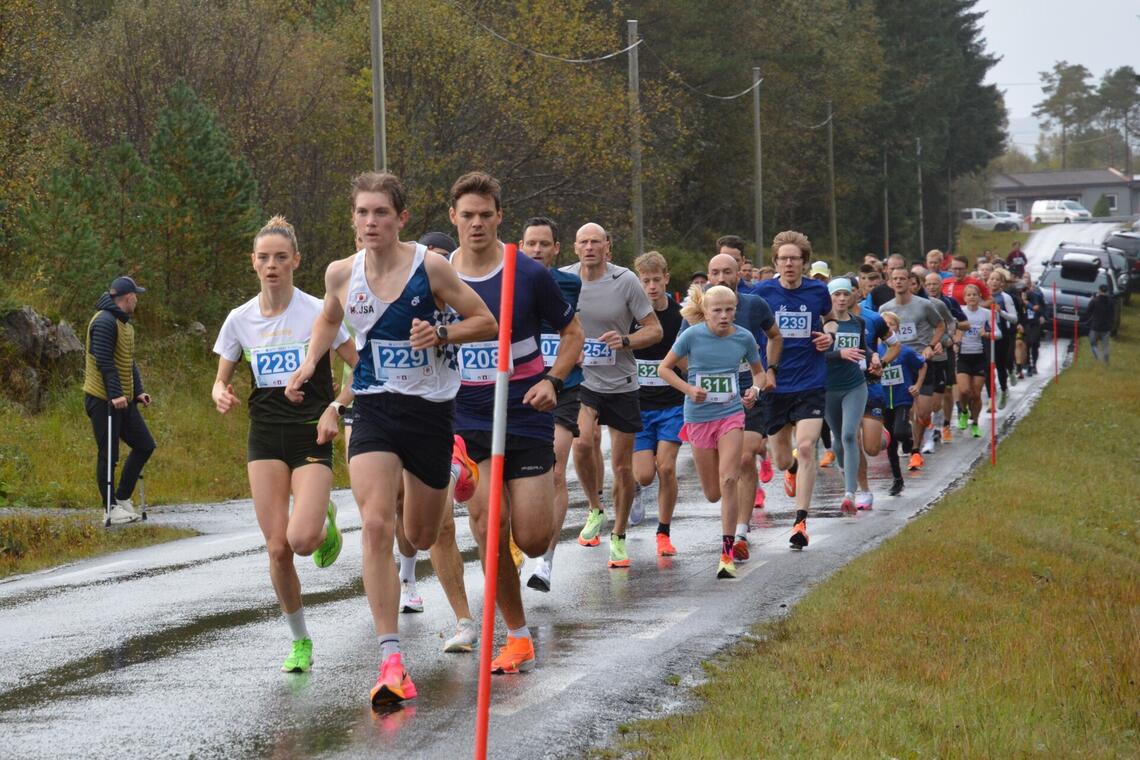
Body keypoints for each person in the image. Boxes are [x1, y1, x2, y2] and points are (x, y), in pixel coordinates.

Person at [286, 171, 497, 707]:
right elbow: (328, 322)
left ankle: (454, 468)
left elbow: (486, 320)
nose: (371, 222)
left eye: (381, 212)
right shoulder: (340, 273)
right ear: (353, 220)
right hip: (375, 408)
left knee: (420, 534)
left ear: (401, 218)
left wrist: (441, 332)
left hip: (429, 412)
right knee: (377, 524)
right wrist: (310, 364)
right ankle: (390, 659)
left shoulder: (431, 266)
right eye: (362, 213)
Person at [446, 172, 582, 674]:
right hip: (468, 414)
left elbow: (572, 332)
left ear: (499, 217)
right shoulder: (439, 275)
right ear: (454, 218)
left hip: (525, 409)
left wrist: (555, 379)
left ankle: (525, 518)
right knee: (487, 525)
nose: (477, 223)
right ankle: (517, 635)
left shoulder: (526, 273)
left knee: (529, 537)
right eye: (468, 215)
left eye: (486, 214)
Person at [212, 215, 357, 673]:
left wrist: (336, 405)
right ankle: (300, 642)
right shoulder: (240, 319)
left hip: (311, 431)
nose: (271, 265)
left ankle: (323, 519)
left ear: (295, 260)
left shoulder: (320, 311)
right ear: (253, 264)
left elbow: (361, 368)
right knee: (277, 549)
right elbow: (221, 378)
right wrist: (221, 391)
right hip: (265, 437)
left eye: (280, 257)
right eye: (263, 258)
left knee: (301, 540)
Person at [563, 223, 662, 569]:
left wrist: (625, 341)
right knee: (582, 442)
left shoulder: (625, 281)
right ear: (575, 248)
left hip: (621, 382)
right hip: (583, 379)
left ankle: (618, 537)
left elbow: (654, 329)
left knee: (622, 467)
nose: (590, 247)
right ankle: (594, 507)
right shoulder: (563, 279)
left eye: (596, 241)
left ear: (608, 246)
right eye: (583, 241)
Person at [658, 285, 765, 579]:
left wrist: (754, 390)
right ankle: (727, 540)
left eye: (729, 310)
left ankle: (727, 553)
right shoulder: (692, 335)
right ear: (705, 312)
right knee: (712, 493)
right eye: (717, 310)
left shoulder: (744, 337)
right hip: (698, 417)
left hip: (730, 414)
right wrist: (689, 389)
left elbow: (760, 373)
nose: (724, 316)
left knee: (729, 479)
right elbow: (664, 369)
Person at [754, 231, 834, 550]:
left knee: (807, 443)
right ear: (776, 262)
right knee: (783, 457)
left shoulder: (817, 291)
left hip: (811, 381)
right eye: (784, 258)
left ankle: (800, 522)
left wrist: (829, 334)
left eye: (795, 259)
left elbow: (830, 320)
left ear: (804, 263)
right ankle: (792, 469)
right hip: (775, 385)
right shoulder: (763, 293)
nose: (789, 263)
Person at [520, 216, 584, 593]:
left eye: (545, 244)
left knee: (555, 468)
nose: (538, 250)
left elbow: (572, 327)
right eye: (532, 244)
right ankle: (522, 538)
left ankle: (545, 560)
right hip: (518, 386)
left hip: (562, 385)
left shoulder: (569, 283)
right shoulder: (507, 278)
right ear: (522, 246)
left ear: (557, 248)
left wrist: (572, 351)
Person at [703, 253, 781, 561]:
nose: (721, 278)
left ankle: (741, 531)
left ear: (739, 274)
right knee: (715, 487)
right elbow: (679, 355)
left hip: (747, 390)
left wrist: (770, 370)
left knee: (746, 457)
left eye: (727, 272)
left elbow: (775, 336)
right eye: (715, 273)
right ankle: (730, 512)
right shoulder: (698, 310)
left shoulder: (754, 305)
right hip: (710, 399)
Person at [83, 275, 156, 525]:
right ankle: (109, 507)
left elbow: (128, 361)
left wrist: (138, 391)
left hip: (123, 400)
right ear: (128, 297)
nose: (137, 299)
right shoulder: (104, 321)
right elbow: (104, 362)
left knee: (145, 444)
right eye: (136, 295)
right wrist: (114, 394)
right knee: (109, 454)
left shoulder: (124, 324)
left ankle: (122, 498)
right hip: (103, 400)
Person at [630, 251, 686, 556]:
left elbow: (690, 360)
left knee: (666, 468)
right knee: (644, 475)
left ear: (666, 278)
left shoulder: (680, 317)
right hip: (639, 406)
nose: (651, 286)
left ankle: (663, 532)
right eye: (645, 280)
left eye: (656, 279)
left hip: (672, 405)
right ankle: (636, 487)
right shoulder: (632, 315)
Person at [880, 267, 945, 472]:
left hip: (920, 362)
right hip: (897, 364)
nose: (899, 282)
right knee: (904, 410)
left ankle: (919, 440)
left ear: (910, 282)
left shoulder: (924, 305)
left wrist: (930, 345)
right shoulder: (884, 308)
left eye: (903, 279)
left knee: (923, 412)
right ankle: (914, 449)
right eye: (895, 279)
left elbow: (940, 325)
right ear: (890, 282)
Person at [822, 279, 873, 513]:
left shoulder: (858, 322)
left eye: (845, 294)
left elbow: (863, 348)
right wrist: (838, 353)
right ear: (829, 297)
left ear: (852, 297)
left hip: (854, 385)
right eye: (836, 294)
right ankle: (846, 473)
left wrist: (873, 358)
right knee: (838, 438)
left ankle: (850, 494)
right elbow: (814, 357)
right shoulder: (822, 324)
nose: (841, 299)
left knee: (850, 435)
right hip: (827, 388)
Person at [876, 311, 927, 495]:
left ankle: (909, 440)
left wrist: (917, 385)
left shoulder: (904, 351)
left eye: (891, 324)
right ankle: (897, 480)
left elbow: (922, 365)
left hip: (901, 398)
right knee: (890, 443)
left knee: (900, 431)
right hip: (882, 400)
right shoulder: (875, 352)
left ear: (897, 328)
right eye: (884, 324)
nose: (888, 327)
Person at [954, 283, 997, 437]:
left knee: (976, 394)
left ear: (980, 297)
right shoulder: (960, 312)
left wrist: (986, 334)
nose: (972, 297)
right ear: (964, 298)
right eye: (969, 295)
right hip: (963, 356)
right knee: (964, 390)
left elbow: (997, 333)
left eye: (975, 295)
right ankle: (964, 411)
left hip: (979, 356)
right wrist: (955, 341)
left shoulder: (985, 313)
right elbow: (952, 330)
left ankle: (976, 423)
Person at [987, 271, 1018, 409]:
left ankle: (1004, 390)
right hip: (987, 334)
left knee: (1001, 364)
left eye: (997, 279)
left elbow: (1014, 319)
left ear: (1002, 283)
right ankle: (991, 396)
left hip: (1002, 334)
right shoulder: (983, 296)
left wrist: (1001, 312)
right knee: (988, 367)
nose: (993, 282)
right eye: (991, 279)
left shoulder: (1005, 298)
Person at [1019, 273, 1045, 375]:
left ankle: (1034, 365)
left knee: (1034, 343)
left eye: (1026, 289)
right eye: (1023, 290)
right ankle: (1027, 365)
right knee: (1026, 344)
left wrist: (1043, 315)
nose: (1024, 292)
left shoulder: (1035, 294)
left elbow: (1038, 307)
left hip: (1034, 322)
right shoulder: (1017, 296)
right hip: (1023, 322)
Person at [1087, 284, 1114, 364]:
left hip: (1095, 327)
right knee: (1105, 346)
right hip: (1106, 328)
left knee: (1093, 344)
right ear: (1107, 291)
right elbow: (1113, 314)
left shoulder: (1095, 300)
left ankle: (1097, 358)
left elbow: (1088, 311)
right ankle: (1106, 361)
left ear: (1099, 290)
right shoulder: (1111, 302)